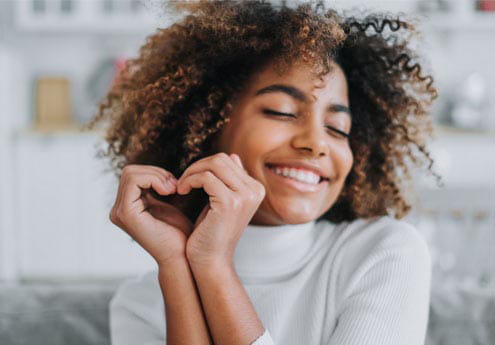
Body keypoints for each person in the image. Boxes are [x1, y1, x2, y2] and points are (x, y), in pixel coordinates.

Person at [84, 0, 442, 344]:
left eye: (338, 128)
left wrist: (214, 266)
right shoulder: (141, 304)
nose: (316, 143)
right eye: (281, 112)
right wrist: (179, 267)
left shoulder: (383, 253)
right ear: (208, 126)